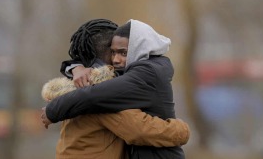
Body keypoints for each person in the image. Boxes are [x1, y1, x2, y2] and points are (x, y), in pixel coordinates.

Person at [42, 18, 189, 159]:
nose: (117, 60)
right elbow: (139, 130)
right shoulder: (102, 95)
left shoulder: (76, 87)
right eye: (114, 52)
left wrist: (75, 67)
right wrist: (181, 130)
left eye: (124, 52)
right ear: (106, 53)